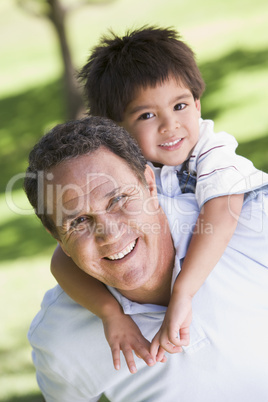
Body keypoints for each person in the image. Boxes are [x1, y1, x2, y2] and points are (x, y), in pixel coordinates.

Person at [50, 26, 268, 370]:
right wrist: (111, 314)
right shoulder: (119, 174)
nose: (171, 125)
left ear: (197, 105)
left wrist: (183, 292)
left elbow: (222, 212)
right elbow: (62, 261)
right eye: (147, 115)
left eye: (180, 105)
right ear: (115, 128)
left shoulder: (212, 150)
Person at [25, 117, 268, 401]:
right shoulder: (59, 341)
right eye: (79, 221)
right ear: (57, 238)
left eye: (118, 200)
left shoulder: (253, 226)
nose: (110, 233)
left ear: (150, 185)